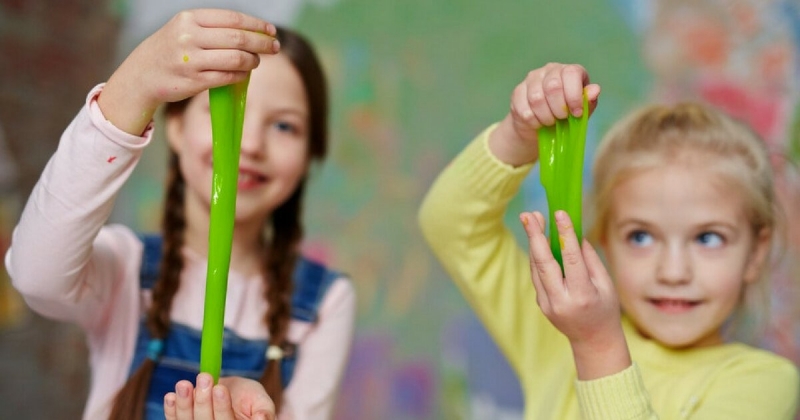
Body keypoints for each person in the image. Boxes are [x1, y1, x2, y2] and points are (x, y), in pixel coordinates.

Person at [5, 9, 355, 420]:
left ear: (312, 154)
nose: (249, 143)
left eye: (284, 126)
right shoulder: (125, 266)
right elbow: (34, 274)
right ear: (174, 126)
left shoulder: (324, 304)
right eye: (218, 111)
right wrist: (135, 84)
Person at [418, 62, 799, 419]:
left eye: (709, 238)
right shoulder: (555, 336)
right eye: (641, 236)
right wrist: (518, 135)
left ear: (755, 254)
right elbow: (451, 223)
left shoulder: (764, 382)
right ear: (604, 244)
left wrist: (597, 347)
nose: (673, 271)